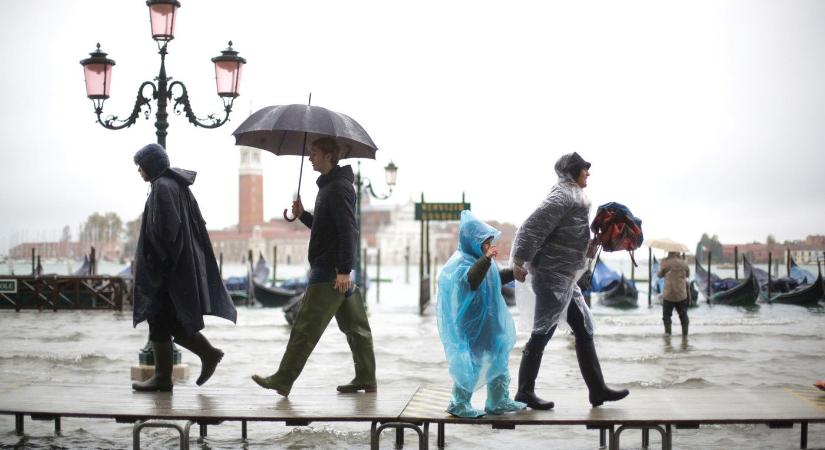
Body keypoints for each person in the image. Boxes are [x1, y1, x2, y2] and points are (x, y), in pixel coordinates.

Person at [252, 137, 376, 396]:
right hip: (335, 270)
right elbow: (325, 228)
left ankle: (283, 379)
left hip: (330, 272)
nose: (310, 158)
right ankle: (366, 377)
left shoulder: (338, 188)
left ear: (329, 156)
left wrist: (344, 270)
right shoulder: (331, 187)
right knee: (356, 328)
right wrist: (303, 215)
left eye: (314, 153)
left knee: (305, 327)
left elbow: (347, 230)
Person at [511, 152, 629, 409]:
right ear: (573, 171)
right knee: (543, 331)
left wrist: (590, 248)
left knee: (583, 327)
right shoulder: (563, 196)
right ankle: (524, 391)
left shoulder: (574, 195)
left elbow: (569, 238)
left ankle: (597, 390)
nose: (589, 173)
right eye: (585, 169)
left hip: (564, 278)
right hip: (551, 278)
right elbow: (530, 227)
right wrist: (518, 260)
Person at [131, 143, 237, 392]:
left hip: (166, 273)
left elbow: (168, 232)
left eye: (140, 166)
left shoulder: (162, 186)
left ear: (151, 165)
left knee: (160, 318)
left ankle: (171, 373)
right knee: (166, 321)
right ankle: (198, 359)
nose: (139, 171)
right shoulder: (174, 185)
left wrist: (158, 266)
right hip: (175, 269)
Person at [436, 210, 526, 418]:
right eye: (484, 243)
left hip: (490, 323)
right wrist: (485, 259)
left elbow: (493, 278)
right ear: (472, 242)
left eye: (488, 242)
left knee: (499, 360)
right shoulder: (461, 263)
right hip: (472, 325)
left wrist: (513, 273)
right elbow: (473, 279)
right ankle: (459, 403)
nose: (488, 246)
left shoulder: (483, 261)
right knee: (471, 364)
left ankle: (498, 401)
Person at [658, 251, 690, 336]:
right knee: (683, 316)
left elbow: (659, 275)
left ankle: (668, 335)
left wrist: (662, 264)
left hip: (669, 294)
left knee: (667, 316)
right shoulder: (683, 263)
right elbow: (688, 275)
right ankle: (685, 335)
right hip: (681, 294)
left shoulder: (665, 262)